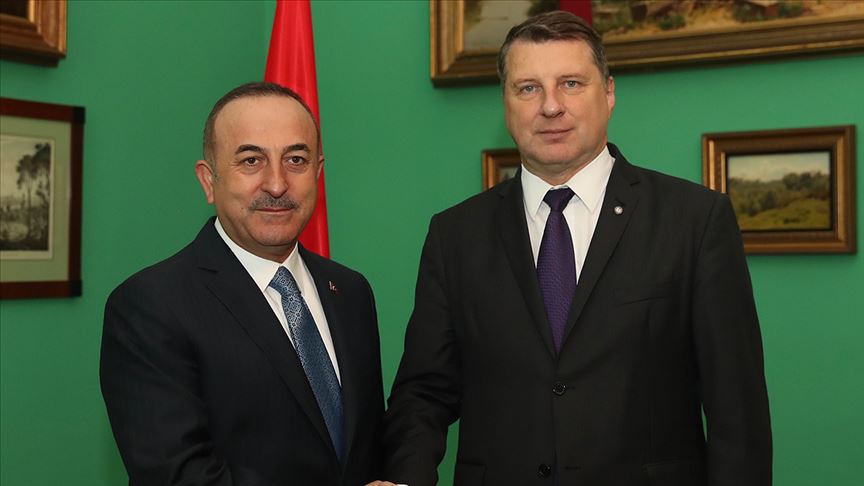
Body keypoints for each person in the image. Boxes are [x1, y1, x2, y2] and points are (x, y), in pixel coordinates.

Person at [379, 11, 771, 486]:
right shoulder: (455, 235)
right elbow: (424, 392)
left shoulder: (694, 221)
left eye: (570, 83)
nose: (550, 106)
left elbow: (737, 412)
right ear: (505, 102)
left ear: (609, 92)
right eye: (528, 88)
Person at [100, 82, 384, 485]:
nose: (276, 184)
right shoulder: (150, 305)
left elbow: (367, 449)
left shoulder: (350, 291)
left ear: (318, 173)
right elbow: (178, 475)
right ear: (208, 180)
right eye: (251, 161)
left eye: (296, 159)